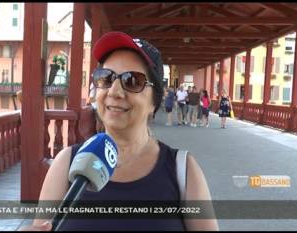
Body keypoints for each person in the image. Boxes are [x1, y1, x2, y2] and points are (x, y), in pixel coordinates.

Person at [21, 31, 218, 231]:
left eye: (132, 81)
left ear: (154, 102)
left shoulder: (183, 171)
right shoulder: (66, 163)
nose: (114, 91)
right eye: (106, 78)